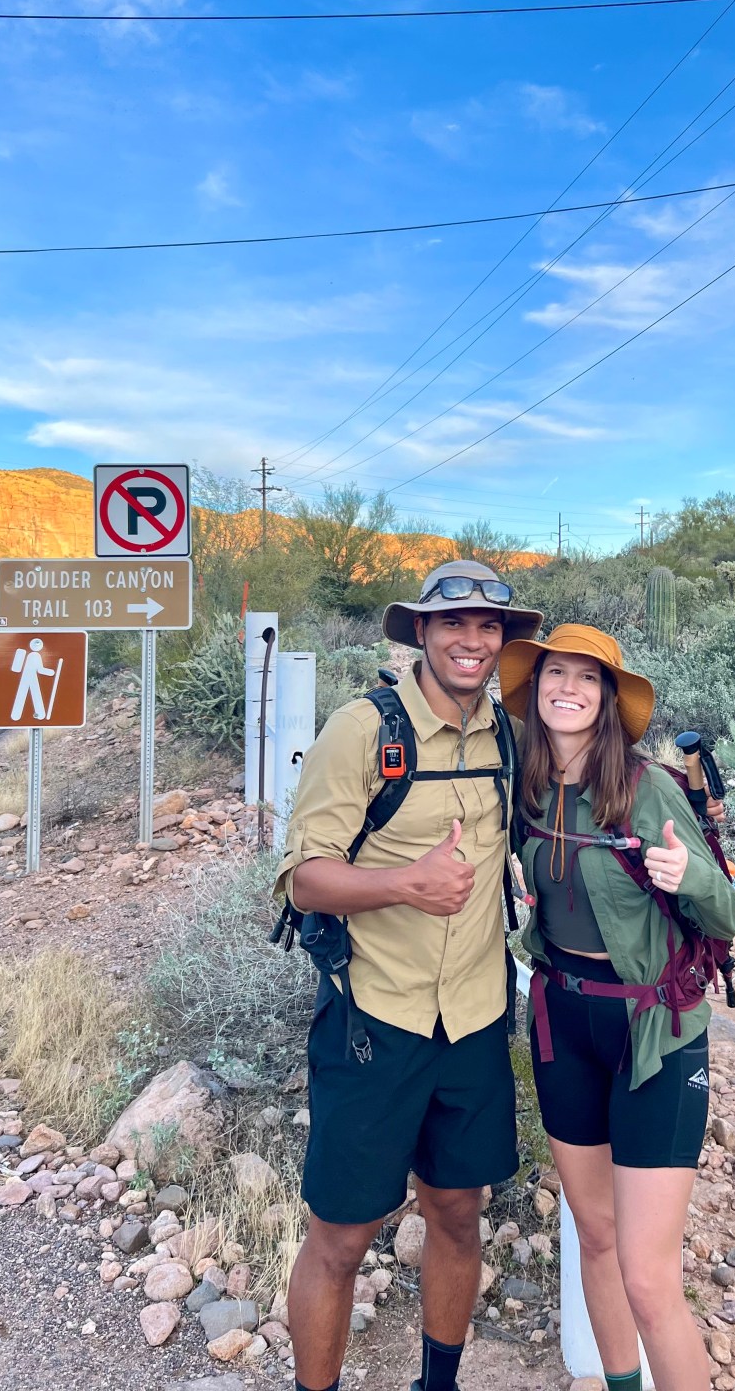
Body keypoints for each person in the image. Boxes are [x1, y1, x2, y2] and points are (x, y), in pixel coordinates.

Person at [273, 560, 543, 1391]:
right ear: (419, 633)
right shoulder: (365, 730)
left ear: (503, 642)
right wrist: (404, 884)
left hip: (472, 1021)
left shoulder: (505, 734)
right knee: (342, 1238)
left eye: (488, 627)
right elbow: (303, 877)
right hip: (373, 1023)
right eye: (453, 623)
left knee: (459, 1215)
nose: (471, 640)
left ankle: (439, 1384)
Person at [499, 623, 735, 1391]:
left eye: (585, 678)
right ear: (535, 693)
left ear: (608, 698)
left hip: (655, 1033)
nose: (567, 689)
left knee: (647, 1277)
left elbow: (728, 914)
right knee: (596, 1241)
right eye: (554, 675)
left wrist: (689, 877)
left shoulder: (647, 789)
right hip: (562, 1022)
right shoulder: (526, 787)